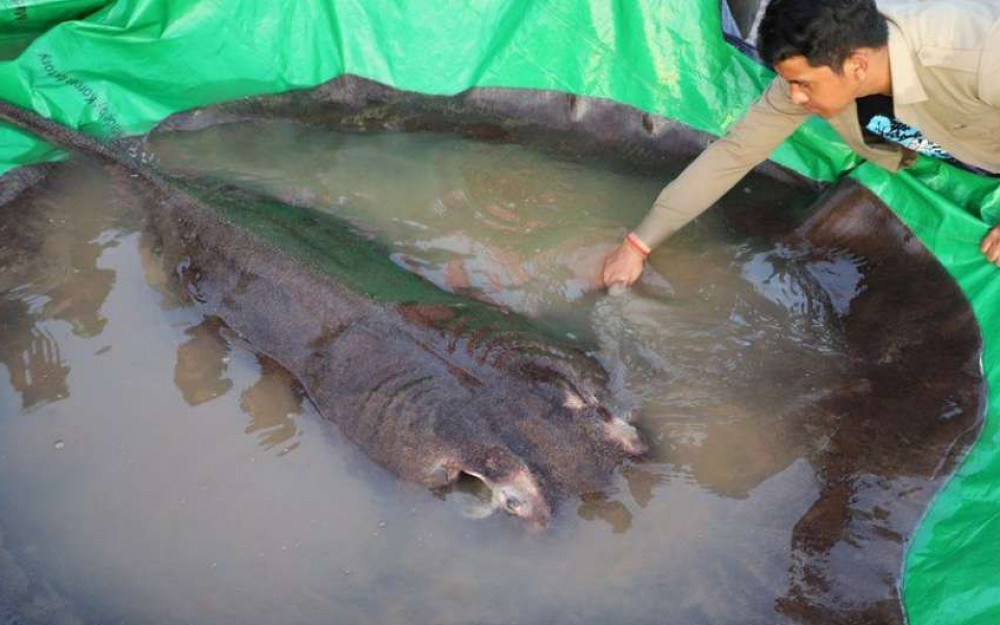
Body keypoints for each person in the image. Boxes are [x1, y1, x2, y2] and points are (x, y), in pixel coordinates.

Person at [602, 0, 1000, 287]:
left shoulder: (974, 51)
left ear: (857, 65)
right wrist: (638, 243)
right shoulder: (821, 65)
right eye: (789, 81)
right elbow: (734, 152)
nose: (793, 97)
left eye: (802, 83)